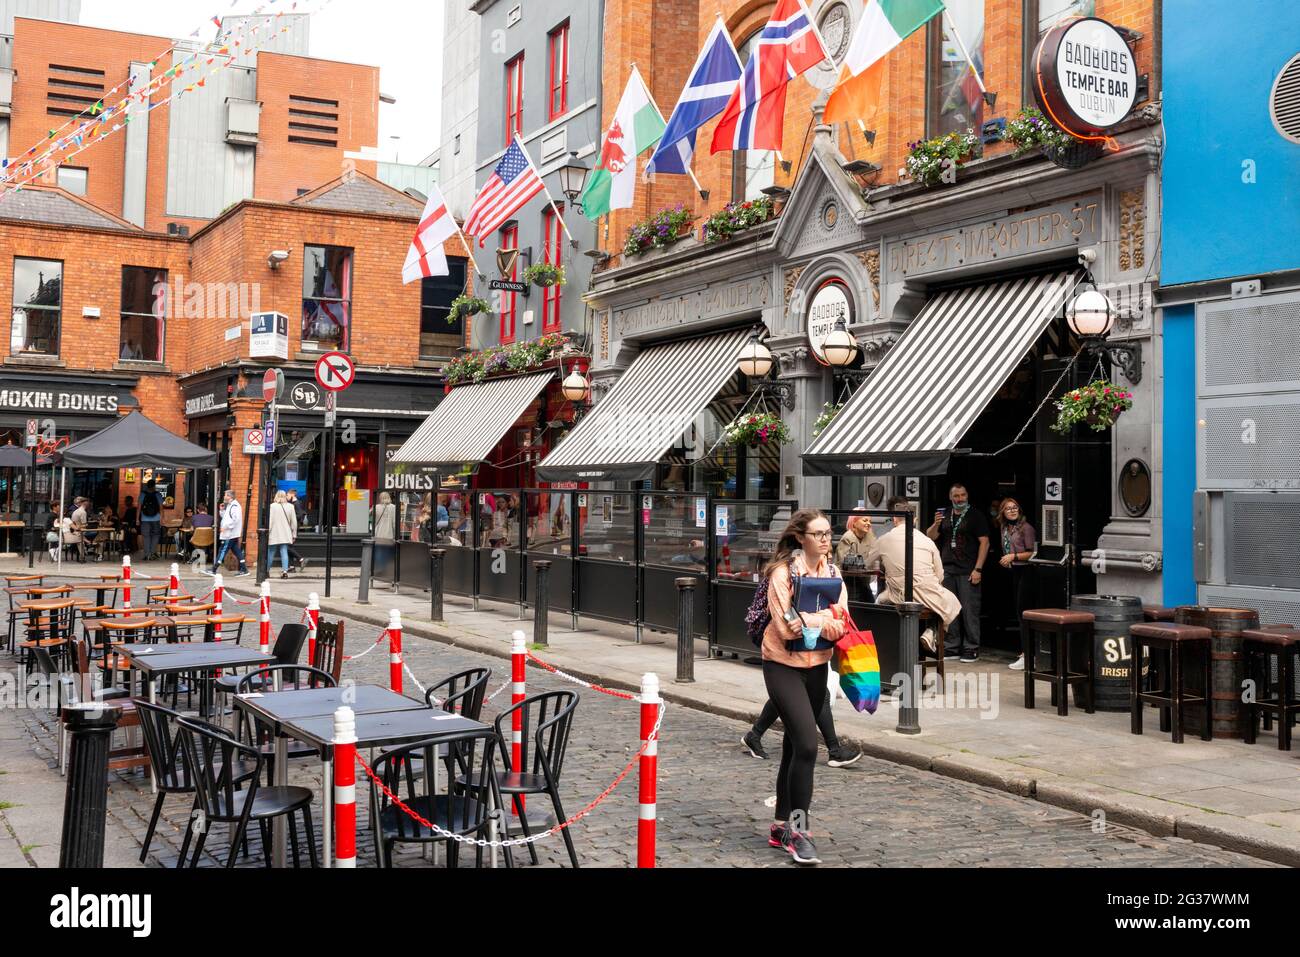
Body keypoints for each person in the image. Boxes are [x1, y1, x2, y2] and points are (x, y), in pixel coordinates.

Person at [754, 508, 850, 866]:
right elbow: (786, 628)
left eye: (829, 533)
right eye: (819, 534)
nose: (826, 540)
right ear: (800, 538)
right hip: (781, 665)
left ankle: (780, 825)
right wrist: (823, 619)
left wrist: (815, 619)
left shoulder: (834, 573)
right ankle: (799, 831)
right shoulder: (782, 574)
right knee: (809, 745)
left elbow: (844, 622)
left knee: (795, 747)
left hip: (818, 666)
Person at [866, 497, 962, 654]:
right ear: (915, 519)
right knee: (951, 602)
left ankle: (887, 644)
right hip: (927, 592)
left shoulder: (883, 539)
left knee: (879, 601)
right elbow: (940, 575)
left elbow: (867, 562)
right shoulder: (927, 540)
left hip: (898, 595)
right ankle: (932, 632)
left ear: (895, 518)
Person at [927, 483, 990, 663]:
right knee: (949, 610)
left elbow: (984, 543)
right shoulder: (945, 514)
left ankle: (971, 647)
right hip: (947, 569)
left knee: (969, 610)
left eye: (962, 495)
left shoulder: (975, 515)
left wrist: (978, 568)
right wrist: (936, 523)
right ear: (950, 497)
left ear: (967, 496)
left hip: (968, 570)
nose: (959, 499)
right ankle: (951, 646)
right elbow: (931, 536)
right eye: (956, 496)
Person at [995, 498, 1038, 671]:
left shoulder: (1026, 528)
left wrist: (1014, 557)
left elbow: (1032, 553)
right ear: (1003, 512)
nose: (1012, 511)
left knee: (1024, 613)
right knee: (1017, 611)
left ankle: (1029, 655)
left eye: (1015, 508)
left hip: (1027, 571)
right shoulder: (1005, 528)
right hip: (1014, 571)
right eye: (1008, 509)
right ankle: (1024, 652)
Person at [216, 489, 249, 576]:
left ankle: (213, 568)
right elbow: (226, 518)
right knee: (237, 552)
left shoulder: (235, 506)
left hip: (230, 534)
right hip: (231, 534)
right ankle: (244, 569)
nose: (224, 497)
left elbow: (235, 520)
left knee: (222, 550)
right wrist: (222, 510)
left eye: (225, 495)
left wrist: (225, 528)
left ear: (229, 497)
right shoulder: (230, 505)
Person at [267, 490, 298, 579]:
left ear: (276, 496)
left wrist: (267, 532)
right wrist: (294, 534)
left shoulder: (272, 506)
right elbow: (294, 522)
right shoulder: (291, 506)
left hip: (274, 533)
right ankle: (285, 572)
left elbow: (270, 521)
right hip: (285, 533)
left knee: (271, 552)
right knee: (284, 551)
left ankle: (267, 571)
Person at [138, 479, 164, 561]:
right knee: (155, 535)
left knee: (146, 536)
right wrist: (162, 518)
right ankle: (152, 553)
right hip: (156, 518)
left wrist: (137, 519)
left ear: (147, 485)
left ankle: (147, 555)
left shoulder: (142, 494)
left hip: (144, 519)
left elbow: (139, 508)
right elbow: (161, 508)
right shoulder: (158, 494)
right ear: (154, 486)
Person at [373, 491, 397, 573]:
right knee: (387, 551)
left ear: (380, 498)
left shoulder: (376, 507)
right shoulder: (393, 507)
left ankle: (380, 567)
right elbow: (394, 523)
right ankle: (385, 568)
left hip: (378, 533)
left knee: (379, 551)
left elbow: (369, 516)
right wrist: (395, 534)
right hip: (388, 533)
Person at [285, 488, 308, 571]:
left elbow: (300, 515)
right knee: (289, 547)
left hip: (293, 528)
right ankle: (291, 567)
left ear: (292, 494)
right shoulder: (293, 503)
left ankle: (301, 559)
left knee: (287, 547)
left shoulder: (296, 503)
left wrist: (290, 517)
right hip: (292, 527)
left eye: (287, 495)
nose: (286, 497)